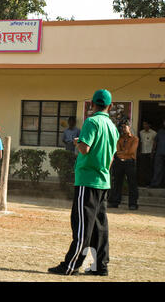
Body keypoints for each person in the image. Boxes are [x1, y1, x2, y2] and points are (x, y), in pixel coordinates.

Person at [48, 89, 119, 276]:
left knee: (82, 226)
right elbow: (111, 157)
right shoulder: (112, 127)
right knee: (99, 227)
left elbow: (85, 149)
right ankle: (99, 266)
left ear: (92, 105)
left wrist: (78, 142)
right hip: (103, 181)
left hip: (87, 180)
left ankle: (70, 265)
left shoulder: (91, 121)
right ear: (110, 106)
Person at [108, 120, 139, 210]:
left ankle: (132, 204)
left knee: (132, 183)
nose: (123, 129)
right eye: (122, 127)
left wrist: (122, 153)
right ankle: (115, 202)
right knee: (117, 182)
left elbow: (131, 151)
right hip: (119, 162)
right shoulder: (119, 138)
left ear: (129, 127)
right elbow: (116, 152)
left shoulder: (135, 139)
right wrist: (123, 153)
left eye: (125, 127)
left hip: (130, 162)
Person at [138, 120, 156, 187]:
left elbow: (154, 144)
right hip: (143, 153)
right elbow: (140, 142)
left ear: (149, 125)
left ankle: (149, 183)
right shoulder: (141, 132)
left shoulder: (154, 133)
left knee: (149, 169)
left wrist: (152, 153)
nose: (144, 126)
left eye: (146, 124)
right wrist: (139, 152)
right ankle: (142, 183)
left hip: (149, 153)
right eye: (143, 124)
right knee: (142, 168)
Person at [149, 119, 165, 188]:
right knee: (158, 169)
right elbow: (155, 143)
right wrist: (152, 152)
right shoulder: (160, 132)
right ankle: (155, 184)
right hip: (159, 153)